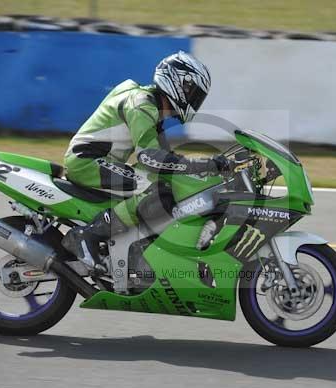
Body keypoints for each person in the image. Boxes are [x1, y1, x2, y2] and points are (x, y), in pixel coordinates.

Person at [61, 51, 232, 267]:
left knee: (169, 185)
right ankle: (88, 235)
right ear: (178, 84)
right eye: (193, 93)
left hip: (101, 162)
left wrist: (203, 170)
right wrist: (205, 164)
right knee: (157, 191)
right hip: (87, 162)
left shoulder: (150, 106)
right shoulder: (141, 104)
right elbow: (150, 157)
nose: (195, 101)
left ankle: (138, 247)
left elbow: (164, 163)